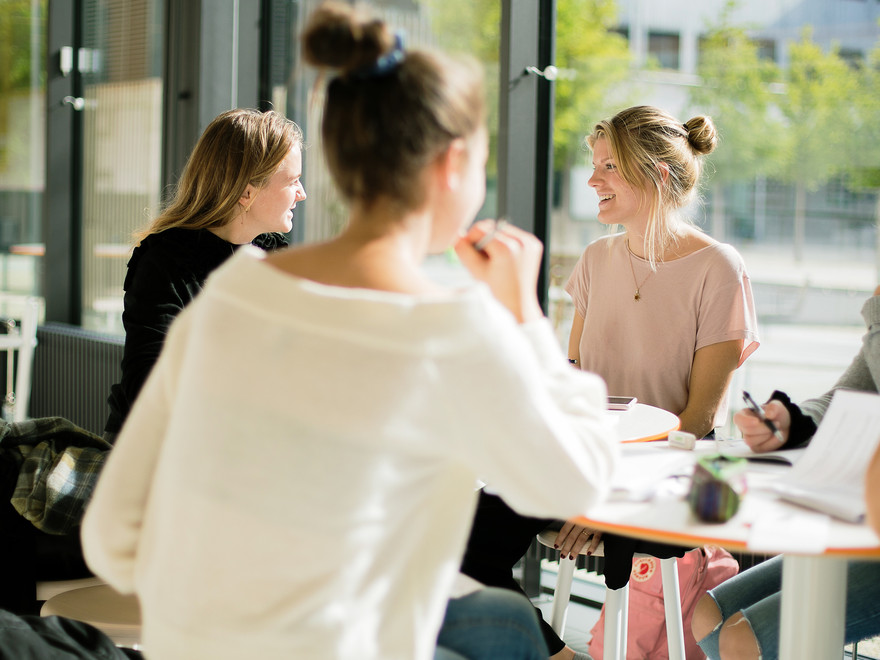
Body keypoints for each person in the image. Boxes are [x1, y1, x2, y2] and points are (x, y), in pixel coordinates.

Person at [81, 3, 621, 660]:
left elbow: (112, 533)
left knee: (504, 618)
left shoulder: (231, 296)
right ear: (452, 166)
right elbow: (577, 483)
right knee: (506, 628)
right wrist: (526, 318)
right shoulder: (453, 328)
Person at [460, 105, 760, 659]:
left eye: (609, 167)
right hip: (584, 460)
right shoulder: (596, 260)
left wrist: (596, 502)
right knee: (459, 543)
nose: (592, 180)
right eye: (593, 165)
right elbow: (570, 382)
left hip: (669, 475)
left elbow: (697, 421)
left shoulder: (720, 267)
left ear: (656, 174)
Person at [692, 284, 880, 660]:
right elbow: (852, 396)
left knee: (744, 639)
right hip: (861, 521)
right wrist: (791, 420)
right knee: (709, 618)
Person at [103, 107, 305, 443]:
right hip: (149, 447)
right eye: (293, 181)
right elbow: (148, 387)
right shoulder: (166, 259)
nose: (302, 194)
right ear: (246, 192)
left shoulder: (275, 255)